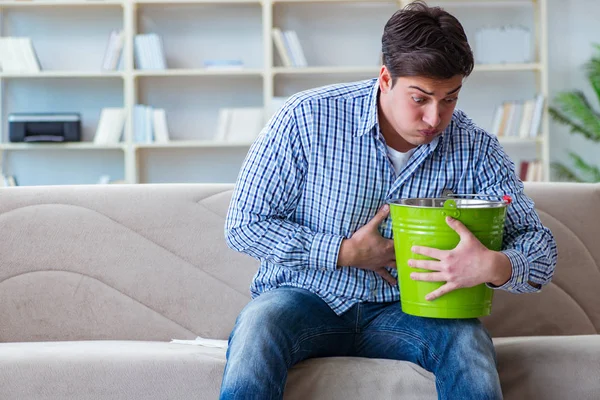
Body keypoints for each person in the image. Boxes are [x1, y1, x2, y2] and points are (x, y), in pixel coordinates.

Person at [220, 1, 557, 399]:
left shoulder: (476, 149)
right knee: (258, 326)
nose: (435, 118)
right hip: (304, 298)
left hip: (413, 311)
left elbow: (540, 248)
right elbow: (244, 225)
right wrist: (344, 252)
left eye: (450, 99)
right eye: (421, 98)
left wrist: (495, 264)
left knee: (467, 340)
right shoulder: (306, 119)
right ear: (385, 78)